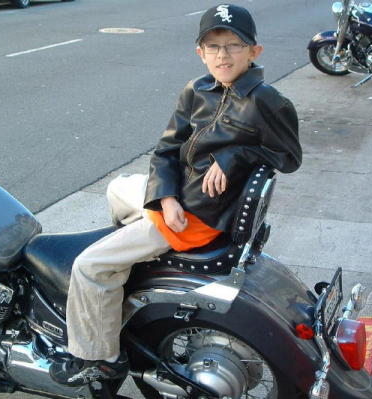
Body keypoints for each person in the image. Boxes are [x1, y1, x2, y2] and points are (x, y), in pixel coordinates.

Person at [49, 3, 302, 386]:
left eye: (234, 45)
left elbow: (288, 157)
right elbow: (167, 150)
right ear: (200, 52)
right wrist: (164, 198)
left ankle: (100, 358)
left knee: (89, 267)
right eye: (213, 47)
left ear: (255, 51)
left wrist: (235, 156)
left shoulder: (268, 102)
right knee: (118, 187)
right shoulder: (196, 90)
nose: (223, 55)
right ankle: (131, 270)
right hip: (177, 199)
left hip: (198, 216)